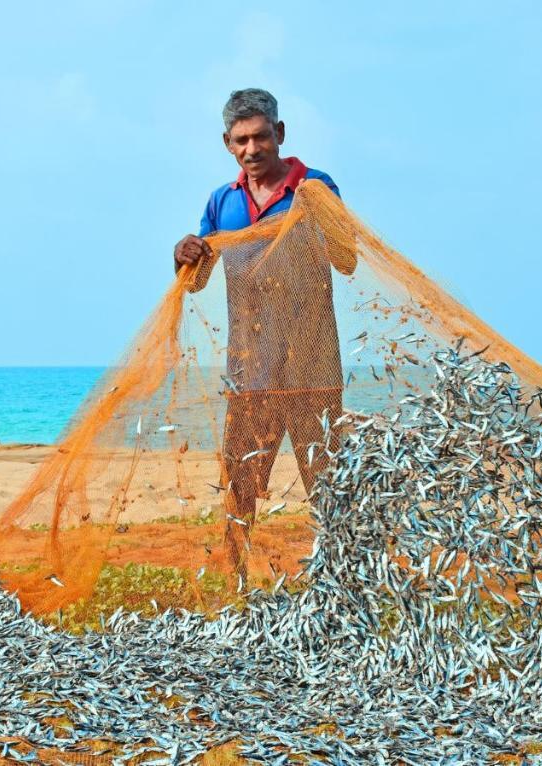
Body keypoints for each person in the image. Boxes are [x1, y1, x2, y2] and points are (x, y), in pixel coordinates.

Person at [173, 88, 356, 577]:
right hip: (250, 369)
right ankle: (236, 583)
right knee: (241, 482)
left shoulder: (315, 185)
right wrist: (183, 252)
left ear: (280, 134)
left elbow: (348, 260)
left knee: (327, 482)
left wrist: (320, 213)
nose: (252, 150)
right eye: (240, 141)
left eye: (260, 137)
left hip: (313, 366)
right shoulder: (221, 202)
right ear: (227, 144)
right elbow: (195, 283)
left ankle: (339, 584)